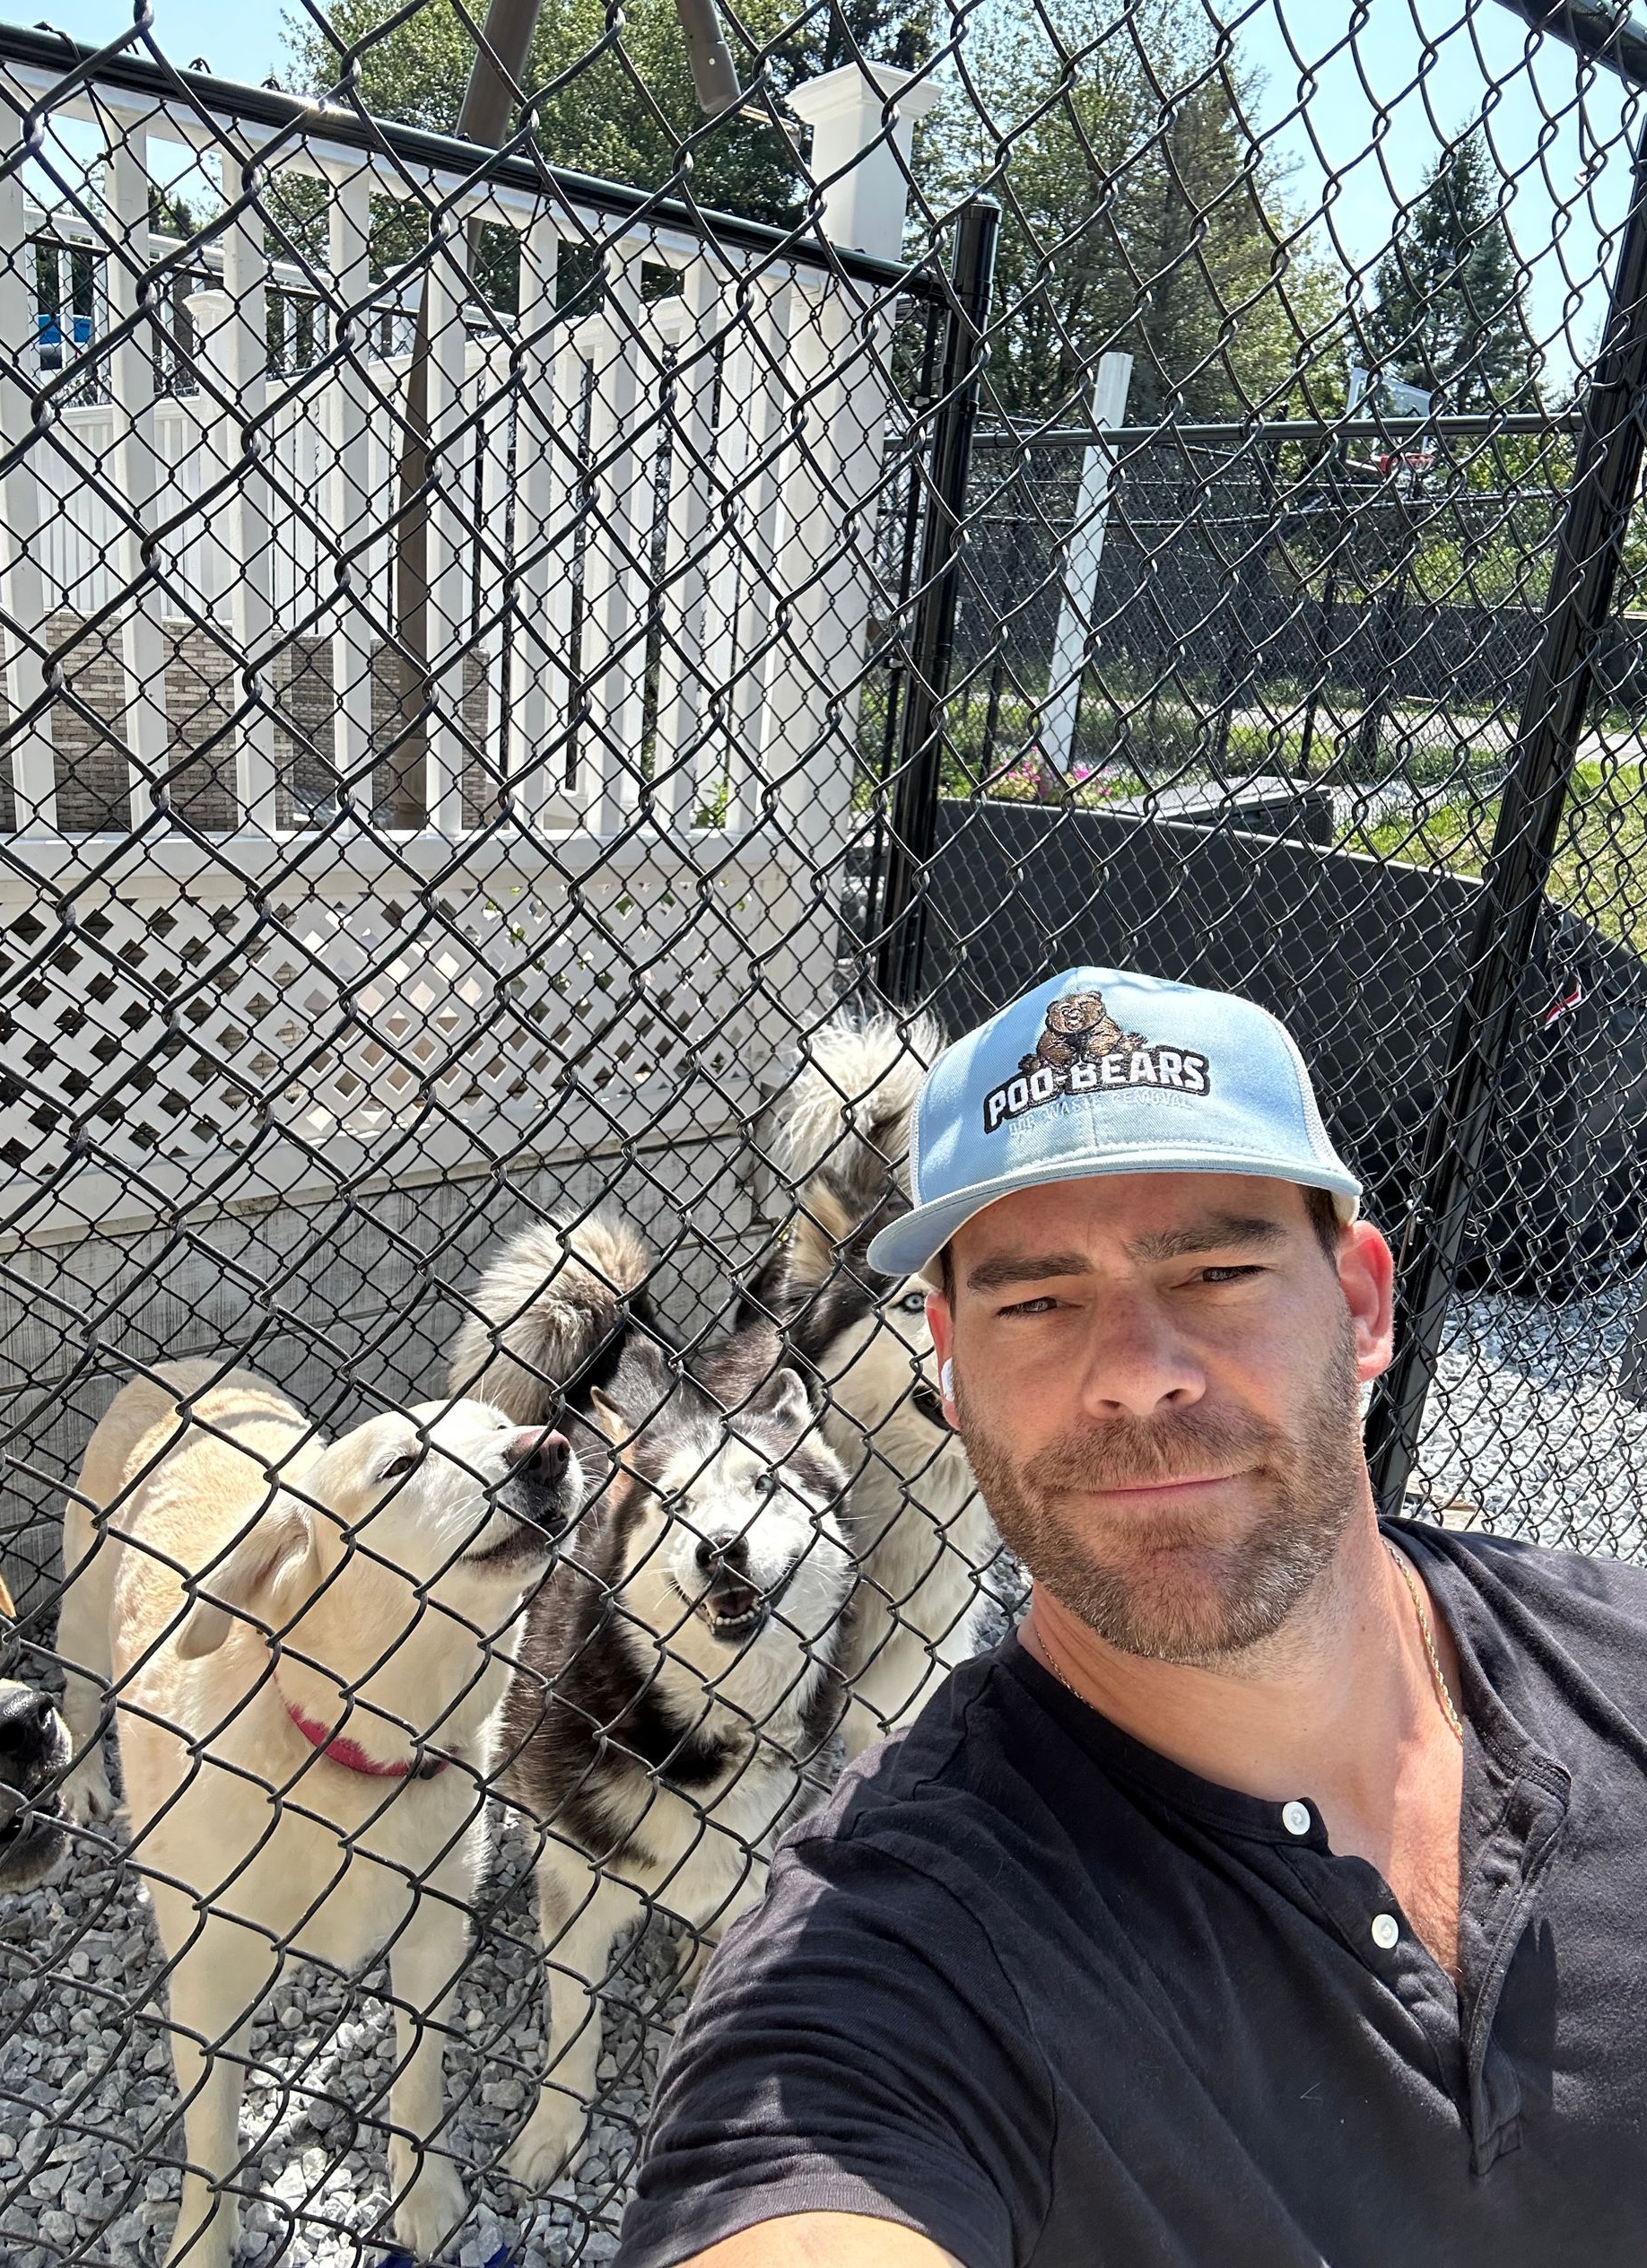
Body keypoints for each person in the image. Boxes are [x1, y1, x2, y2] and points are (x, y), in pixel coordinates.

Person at [614, 965, 1647, 2267]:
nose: (1138, 1378)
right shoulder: (904, 1952)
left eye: (1215, 1270)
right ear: (950, 1364)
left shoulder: (1619, 1652)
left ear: (1364, 1303)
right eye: (1036, 1302)